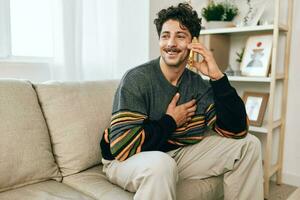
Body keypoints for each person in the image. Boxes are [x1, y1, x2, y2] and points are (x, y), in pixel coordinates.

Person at [100, 3, 263, 200]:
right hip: (124, 160)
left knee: (249, 144)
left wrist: (217, 78)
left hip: (176, 155)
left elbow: (236, 130)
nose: (171, 43)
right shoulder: (137, 79)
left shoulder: (197, 85)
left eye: (180, 36)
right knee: (161, 165)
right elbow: (122, 146)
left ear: (193, 42)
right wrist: (170, 121)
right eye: (165, 35)